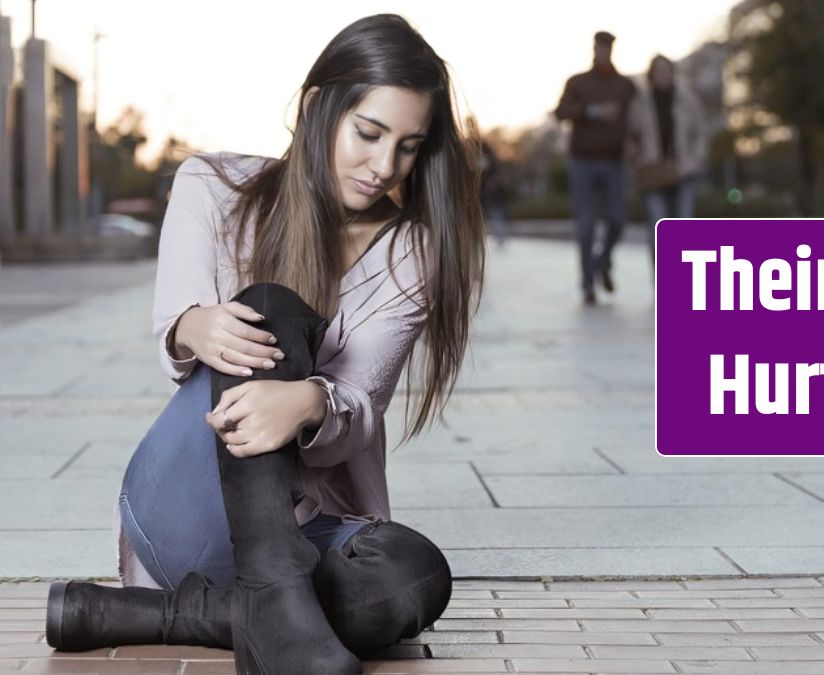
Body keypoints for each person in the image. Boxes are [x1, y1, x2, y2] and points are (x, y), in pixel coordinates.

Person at [42, 14, 485, 675]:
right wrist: (193, 325)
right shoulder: (210, 188)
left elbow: (357, 408)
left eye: (408, 145)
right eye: (368, 133)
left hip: (311, 525)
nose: (384, 165)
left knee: (415, 578)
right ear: (316, 107)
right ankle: (269, 589)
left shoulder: (411, 251)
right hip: (186, 503)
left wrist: (308, 402)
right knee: (269, 309)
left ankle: (177, 614)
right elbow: (177, 329)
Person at [554, 30, 636, 305]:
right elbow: (561, 111)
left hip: (614, 161)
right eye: (599, 47)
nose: (602, 52)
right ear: (593, 49)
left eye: (607, 48)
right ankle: (588, 282)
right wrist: (591, 111)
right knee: (586, 224)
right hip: (583, 161)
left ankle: (600, 263)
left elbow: (636, 119)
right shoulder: (577, 82)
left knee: (617, 220)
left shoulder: (625, 85)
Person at [629, 54, 706, 275]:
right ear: (651, 75)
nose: (663, 76)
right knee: (658, 228)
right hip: (653, 173)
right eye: (658, 71)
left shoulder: (686, 99)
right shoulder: (640, 103)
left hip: (683, 172)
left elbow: (699, 133)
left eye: (666, 71)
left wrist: (694, 159)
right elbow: (631, 137)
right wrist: (638, 159)